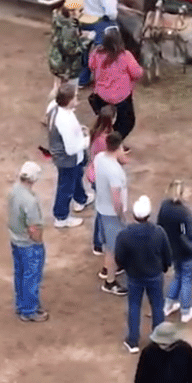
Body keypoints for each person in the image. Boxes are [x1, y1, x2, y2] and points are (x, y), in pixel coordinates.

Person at [117, 196, 173, 354]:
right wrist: (164, 267)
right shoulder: (159, 232)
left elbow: (119, 258)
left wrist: (126, 268)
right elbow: (167, 254)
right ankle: (159, 341)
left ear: (134, 215)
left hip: (134, 277)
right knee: (157, 306)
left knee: (134, 306)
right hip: (155, 275)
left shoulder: (125, 234)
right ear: (149, 215)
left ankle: (133, 341)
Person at [64, 0, 119, 87]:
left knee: (81, 51)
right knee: (111, 38)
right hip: (97, 23)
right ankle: (105, 77)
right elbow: (111, 11)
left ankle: (82, 79)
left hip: (79, 20)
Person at [158, 180, 192, 323]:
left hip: (172, 250)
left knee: (178, 276)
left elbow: (161, 226)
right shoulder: (184, 212)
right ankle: (186, 311)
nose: (189, 193)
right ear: (180, 194)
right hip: (186, 251)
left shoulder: (164, 206)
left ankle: (168, 306)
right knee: (186, 279)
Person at [46, 82, 92, 228]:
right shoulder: (64, 121)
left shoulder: (54, 107)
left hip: (67, 157)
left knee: (76, 176)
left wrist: (78, 130)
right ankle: (61, 217)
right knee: (65, 187)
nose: (77, 98)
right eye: (75, 97)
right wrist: (87, 140)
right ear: (69, 100)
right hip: (67, 159)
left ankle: (81, 199)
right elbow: (71, 149)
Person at [9, 161, 48, 322]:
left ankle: (22, 305)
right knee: (31, 277)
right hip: (29, 244)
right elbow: (33, 228)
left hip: (15, 240)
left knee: (20, 274)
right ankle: (29, 310)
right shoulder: (30, 201)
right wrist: (39, 242)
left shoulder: (14, 190)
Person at [87, 27, 143, 140]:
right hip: (121, 98)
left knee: (104, 121)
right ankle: (114, 142)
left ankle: (102, 140)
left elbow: (91, 66)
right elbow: (137, 73)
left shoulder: (97, 53)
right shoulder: (125, 56)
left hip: (102, 96)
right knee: (127, 122)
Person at [94, 131, 130, 295]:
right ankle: (110, 282)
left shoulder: (100, 157)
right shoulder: (114, 171)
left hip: (101, 207)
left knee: (109, 244)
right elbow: (116, 198)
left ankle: (108, 268)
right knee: (112, 248)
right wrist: (121, 215)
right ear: (119, 146)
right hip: (112, 214)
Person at [86, 105, 116, 255]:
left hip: (95, 174)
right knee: (102, 211)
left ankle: (100, 240)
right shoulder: (104, 139)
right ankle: (98, 242)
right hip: (101, 178)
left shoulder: (97, 133)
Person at [48, 0, 88, 96]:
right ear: (72, 12)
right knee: (71, 91)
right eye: (80, 10)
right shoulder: (68, 29)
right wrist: (85, 41)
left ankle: (53, 102)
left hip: (55, 58)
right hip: (67, 65)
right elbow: (70, 50)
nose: (82, 12)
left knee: (56, 86)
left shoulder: (58, 17)